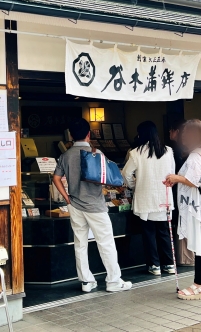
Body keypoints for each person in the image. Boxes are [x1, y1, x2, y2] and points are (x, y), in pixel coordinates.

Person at [52, 118, 132, 293]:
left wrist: (67, 198)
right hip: (95, 205)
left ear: (71, 135)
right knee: (106, 243)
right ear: (89, 134)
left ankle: (86, 281)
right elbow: (105, 179)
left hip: (75, 204)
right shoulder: (97, 153)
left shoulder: (65, 155)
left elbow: (56, 178)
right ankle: (113, 281)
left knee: (80, 243)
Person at [164, 119, 201, 300]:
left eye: (187, 132)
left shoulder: (195, 156)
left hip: (196, 209)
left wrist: (175, 178)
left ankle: (198, 286)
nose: (183, 135)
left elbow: (194, 180)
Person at [121, 121, 176, 276]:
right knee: (164, 232)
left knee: (149, 233)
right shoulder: (168, 151)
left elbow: (125, 173)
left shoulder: (136, 153)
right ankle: (169, 264)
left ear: (141, 135)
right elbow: (172, 173)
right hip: (164, 197)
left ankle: (154, 265)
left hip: (145, 198)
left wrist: (134, 185)